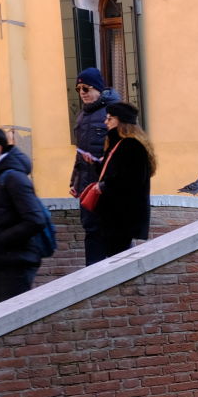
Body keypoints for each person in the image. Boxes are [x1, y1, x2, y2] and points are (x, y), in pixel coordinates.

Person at [0, 125, 49, 308]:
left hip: (15, 263)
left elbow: (35, 220)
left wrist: (0, 239)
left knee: (11, 322)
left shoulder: (13, 178)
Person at [69, 68, 121, 262]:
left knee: (115, 233)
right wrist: (74, 182)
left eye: (86, 88)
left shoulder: (116, 112)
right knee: (91, 231)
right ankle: (93, 282)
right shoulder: (82, 116)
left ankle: (121, 282)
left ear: (98, 89)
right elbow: (80, 154)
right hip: (88, 187)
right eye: (78, 89)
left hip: (110, 186)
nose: (82, 92)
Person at [92, 101, 155, 256]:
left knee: (118, 257)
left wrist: (104, 187)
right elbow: (116, 173)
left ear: (121, 121)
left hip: (122, 216)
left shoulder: (131, 146)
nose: (105, 122)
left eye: (110, 118)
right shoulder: (118, 144)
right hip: (116, 215)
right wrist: (96, 164)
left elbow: (131, 180)